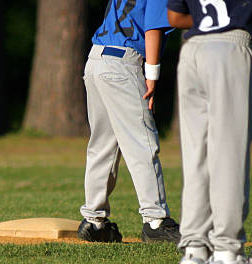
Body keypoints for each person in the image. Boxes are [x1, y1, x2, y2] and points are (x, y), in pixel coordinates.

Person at [167, 0, 252, 264]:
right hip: (231, 48)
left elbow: (175, 15)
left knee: (197, 159)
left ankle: (194, 258)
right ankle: (227, 257)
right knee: (228, 157)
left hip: (192, 50)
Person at [77, 0, 181, 244]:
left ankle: (94, 221)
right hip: (122, 63)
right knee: (142, 143)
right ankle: (156, 221)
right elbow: (153, 28)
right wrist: (152, 75)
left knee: (102, 145)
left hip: (96, 59)